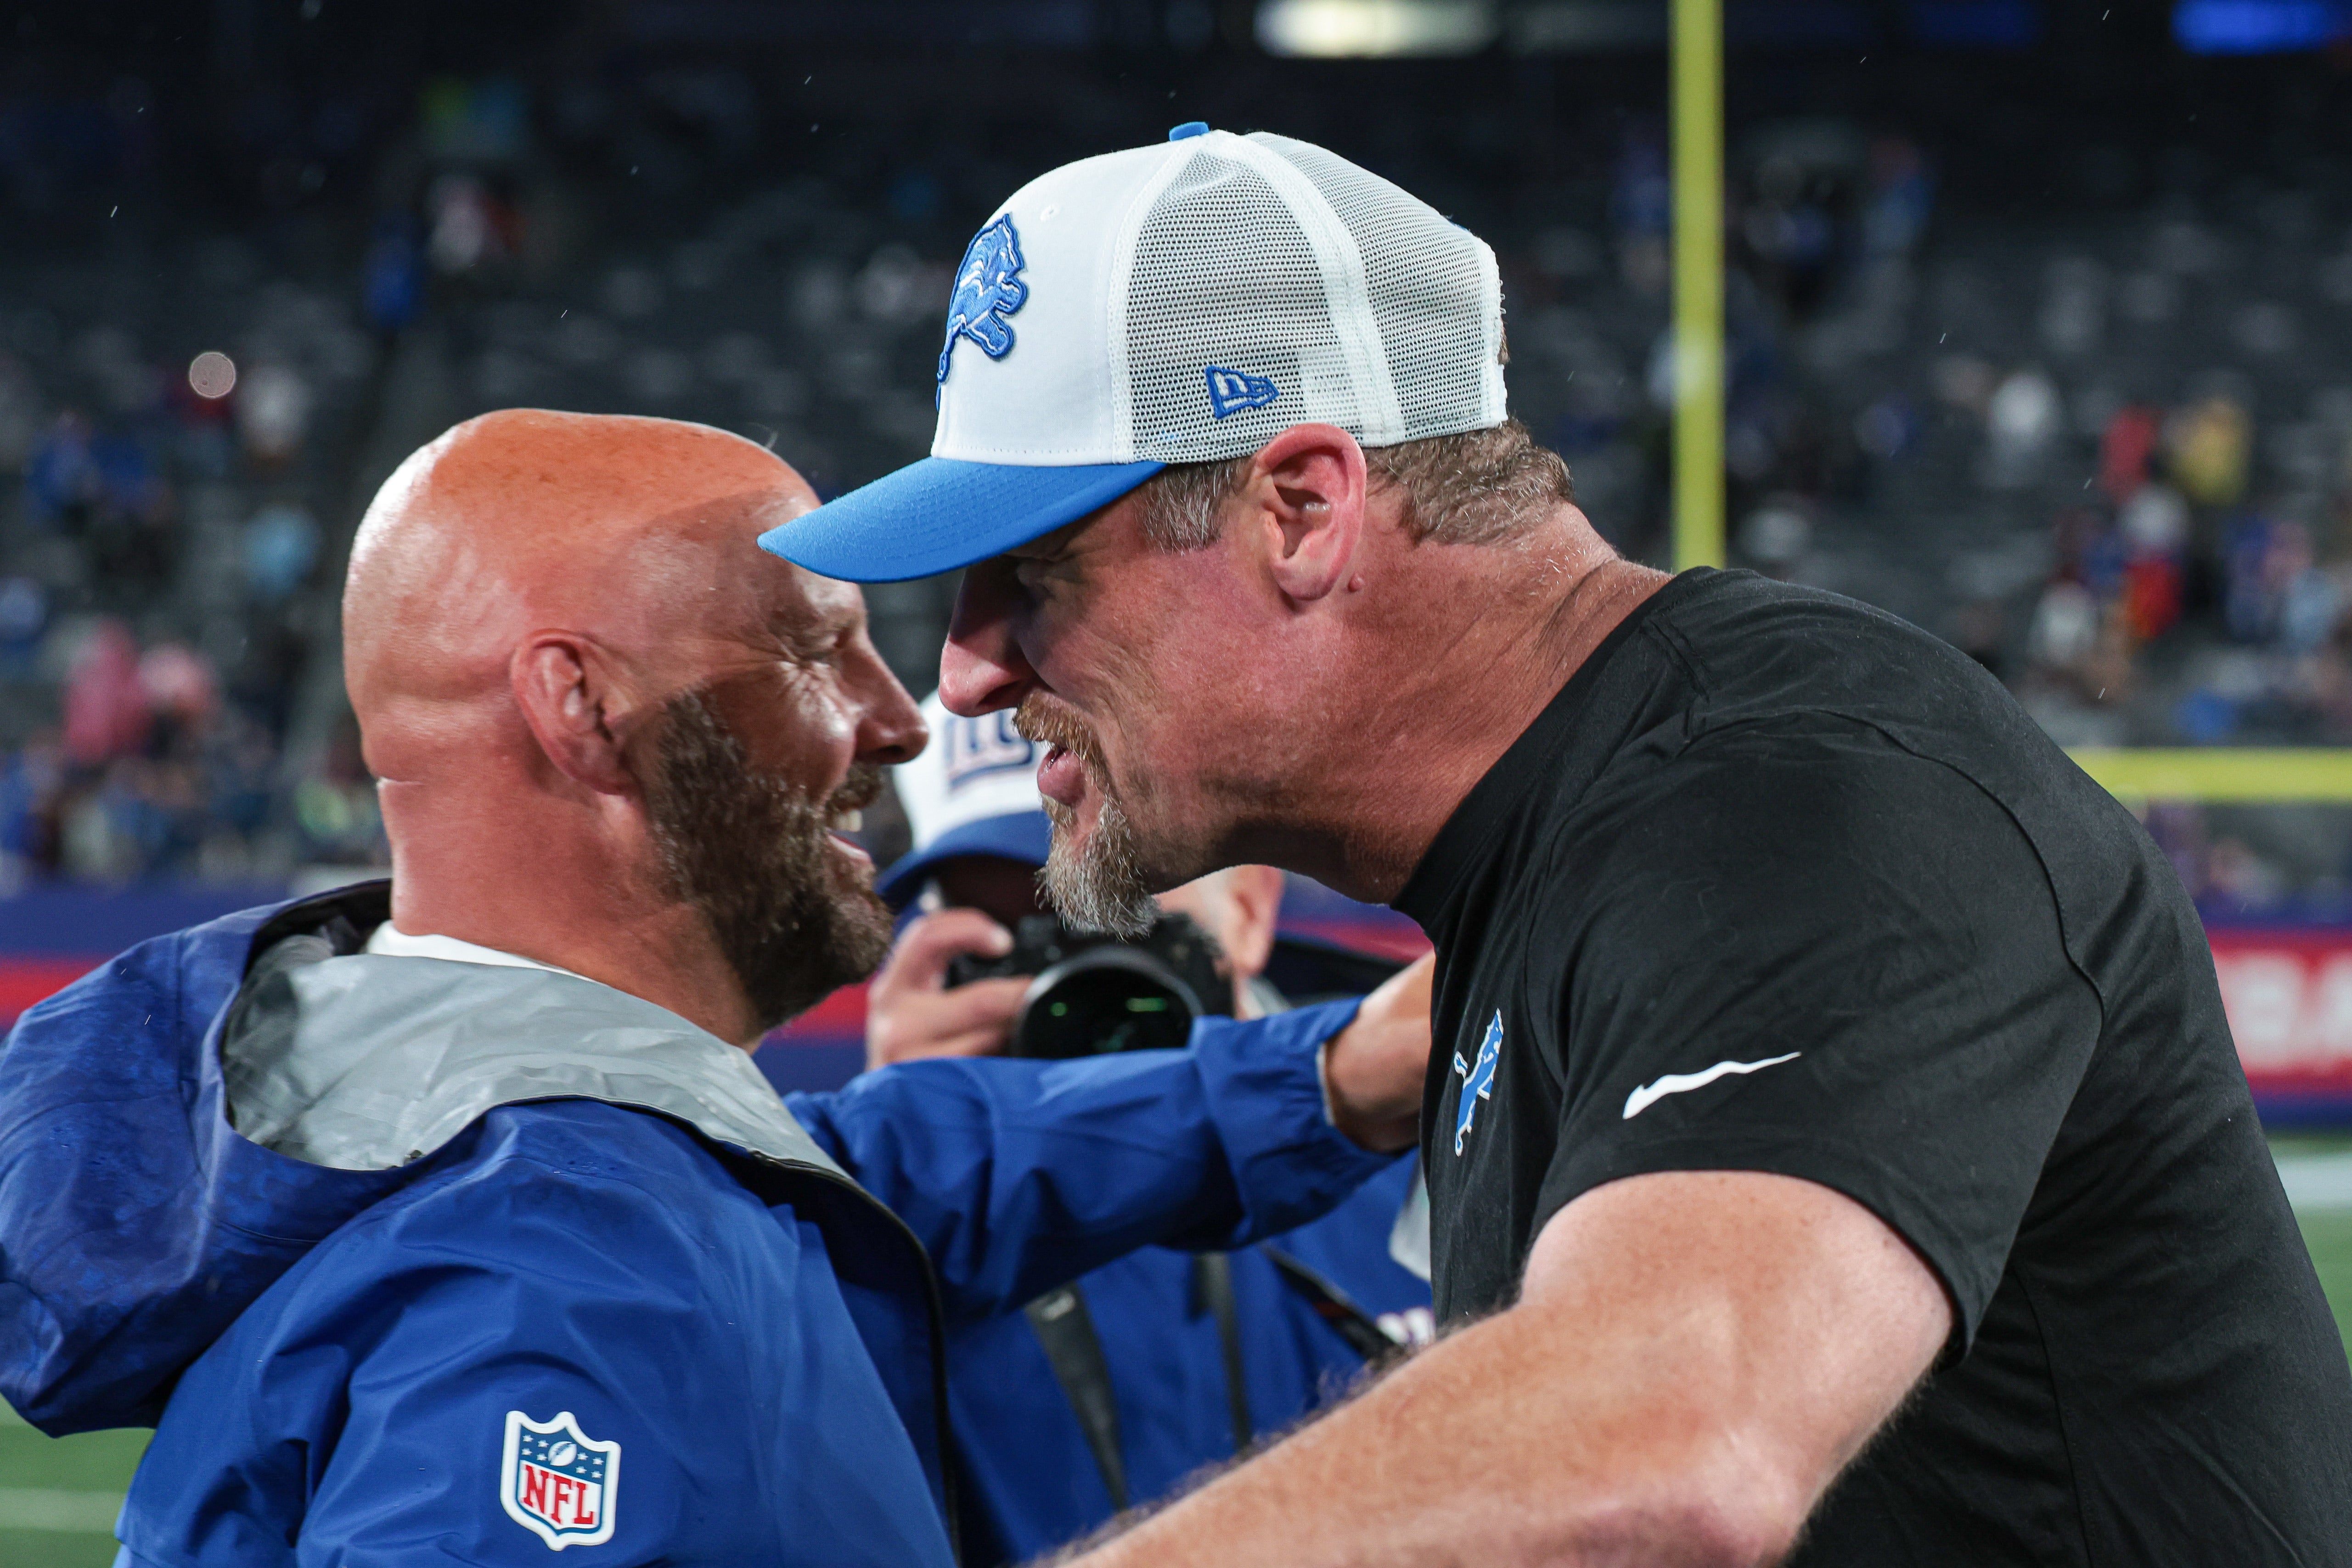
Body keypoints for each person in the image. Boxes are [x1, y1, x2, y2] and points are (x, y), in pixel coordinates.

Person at [760, 126, 2352, 1564]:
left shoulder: (1797, 792)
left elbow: (1661, 1449)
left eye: (1035, 576)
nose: (964, 674)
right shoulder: (1558, 844)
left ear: (1303, 509)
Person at [0, 410, 1433, 1568]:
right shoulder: (547, 1276)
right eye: (815, 649)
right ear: (583, 707)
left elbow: (905, 1168)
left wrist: (1335, 1074)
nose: (901, 718)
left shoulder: (526, 1148)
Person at [868, 693, 1432, 1564]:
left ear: (1249, 909)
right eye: (1022, 944)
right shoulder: (900, 1229)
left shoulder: (1442, 1117)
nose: (1082, 987)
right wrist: (891, 1206)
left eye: (1116, 917)